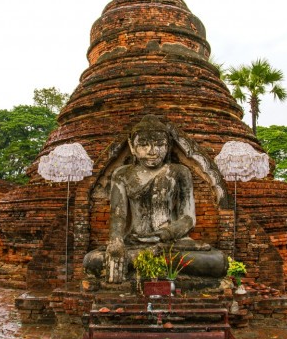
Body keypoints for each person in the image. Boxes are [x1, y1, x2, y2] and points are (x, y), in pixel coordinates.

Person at [84, 115, 226, 283]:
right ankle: (147, 259)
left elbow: (188, 218)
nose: (152, 151)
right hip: (135, 241)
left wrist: (167, 233)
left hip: (171, 243)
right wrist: (116, 242)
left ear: (169, 146)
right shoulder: (122, 174)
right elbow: (118, 215)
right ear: (132, 147)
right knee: (92, 261)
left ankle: (142, 261)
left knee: (217, 262)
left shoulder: (180, 172)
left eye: (159, 145)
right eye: (143, 145)